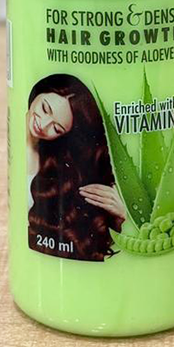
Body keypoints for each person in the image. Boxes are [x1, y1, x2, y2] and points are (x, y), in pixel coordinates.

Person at [26, 74, 125, 261]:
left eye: (57, 128)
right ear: (39, 92)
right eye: (45, 108)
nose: (43, 125)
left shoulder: (58, 172)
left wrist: (124, 213)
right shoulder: (17, 146)